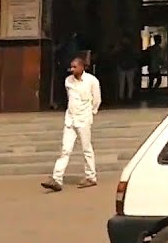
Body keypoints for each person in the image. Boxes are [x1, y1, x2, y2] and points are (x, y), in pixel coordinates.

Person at [42, 56, 101, 192]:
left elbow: (96, 99)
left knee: (86, 149)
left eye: (75, 67)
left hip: (84, 119)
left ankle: (91, 176)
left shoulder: (92, 81)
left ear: (82, 67)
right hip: (70, 119)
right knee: (65, 150)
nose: (72, 69)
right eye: (71, 67)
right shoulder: (68, 81)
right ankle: (57, 178)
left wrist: (91, 113)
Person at [115, 37, 140, 103]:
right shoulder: (132, 50)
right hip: (130, 67)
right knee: (130, 83)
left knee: (122, 83)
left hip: (122, 68)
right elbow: (135, 58)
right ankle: (129, 96)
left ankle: (121, 97)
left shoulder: (120, 50)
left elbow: (117, 58)